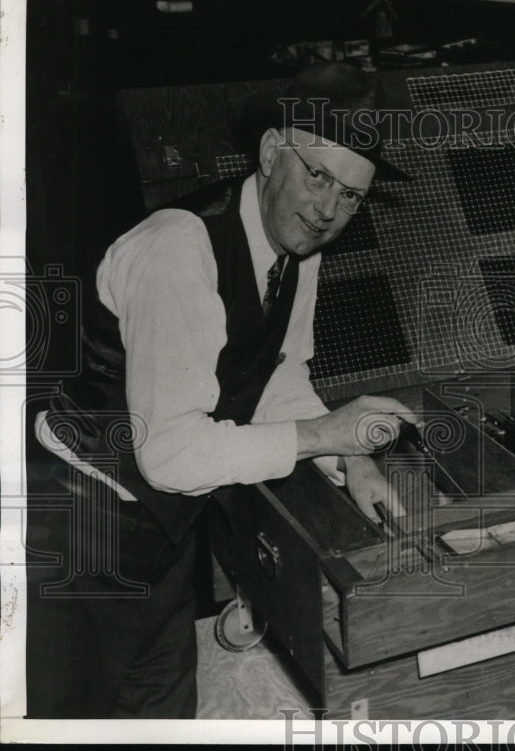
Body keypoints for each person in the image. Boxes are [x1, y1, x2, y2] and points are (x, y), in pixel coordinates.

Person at [25, 63, 417, 718]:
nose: (327, 210)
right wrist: (326, 433)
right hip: (77, 525)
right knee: (69, 717)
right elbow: (169, 453)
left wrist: (352, 458)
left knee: (162, 709)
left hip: (166, 524)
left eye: (351, 195)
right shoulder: (180, 247)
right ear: (270, 152)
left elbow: (277, 375)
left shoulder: (300, 252)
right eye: (317, 175)